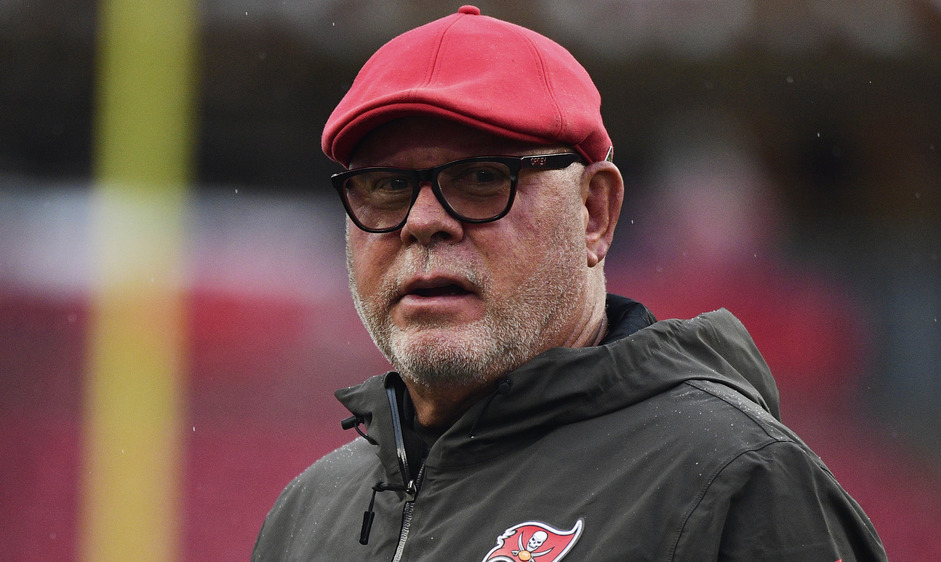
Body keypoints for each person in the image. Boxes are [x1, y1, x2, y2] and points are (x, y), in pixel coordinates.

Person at [252, 6, 886, 561]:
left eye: (481, 178)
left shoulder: (736, 483)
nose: (422, 222)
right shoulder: (307, 516)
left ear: (595, 214)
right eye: (387, 185)